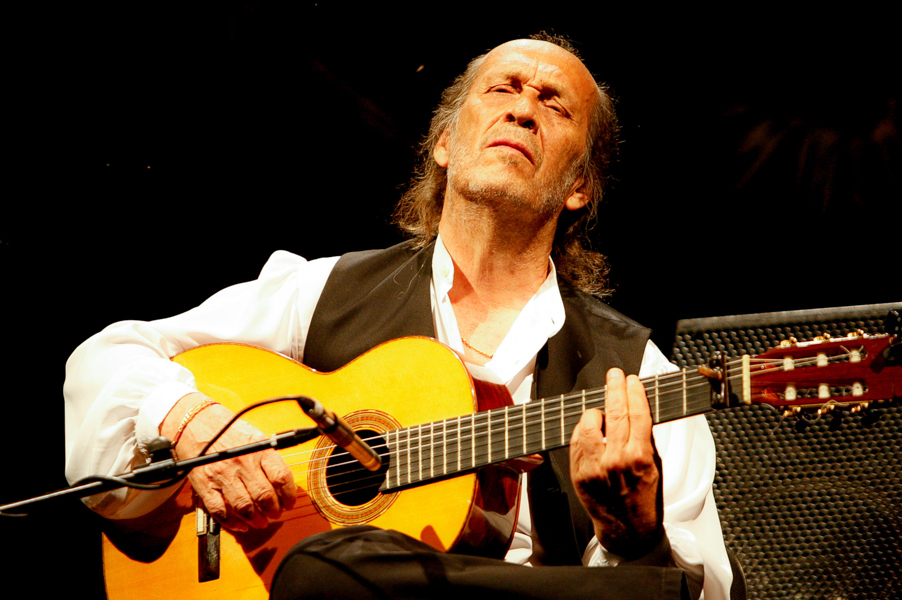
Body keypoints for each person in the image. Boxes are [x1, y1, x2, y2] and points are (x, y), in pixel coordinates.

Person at [64, 35, 733, 599]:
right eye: (503, 90)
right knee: (332, 569)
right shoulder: (325, 290)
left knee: (333, 572)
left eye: (554, 105)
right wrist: (193, 423)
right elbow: (108, 356)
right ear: (445, 143)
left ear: (580, 186)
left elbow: (682, 591)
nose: (524, 110)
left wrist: (632, 537)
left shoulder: (637, 375)